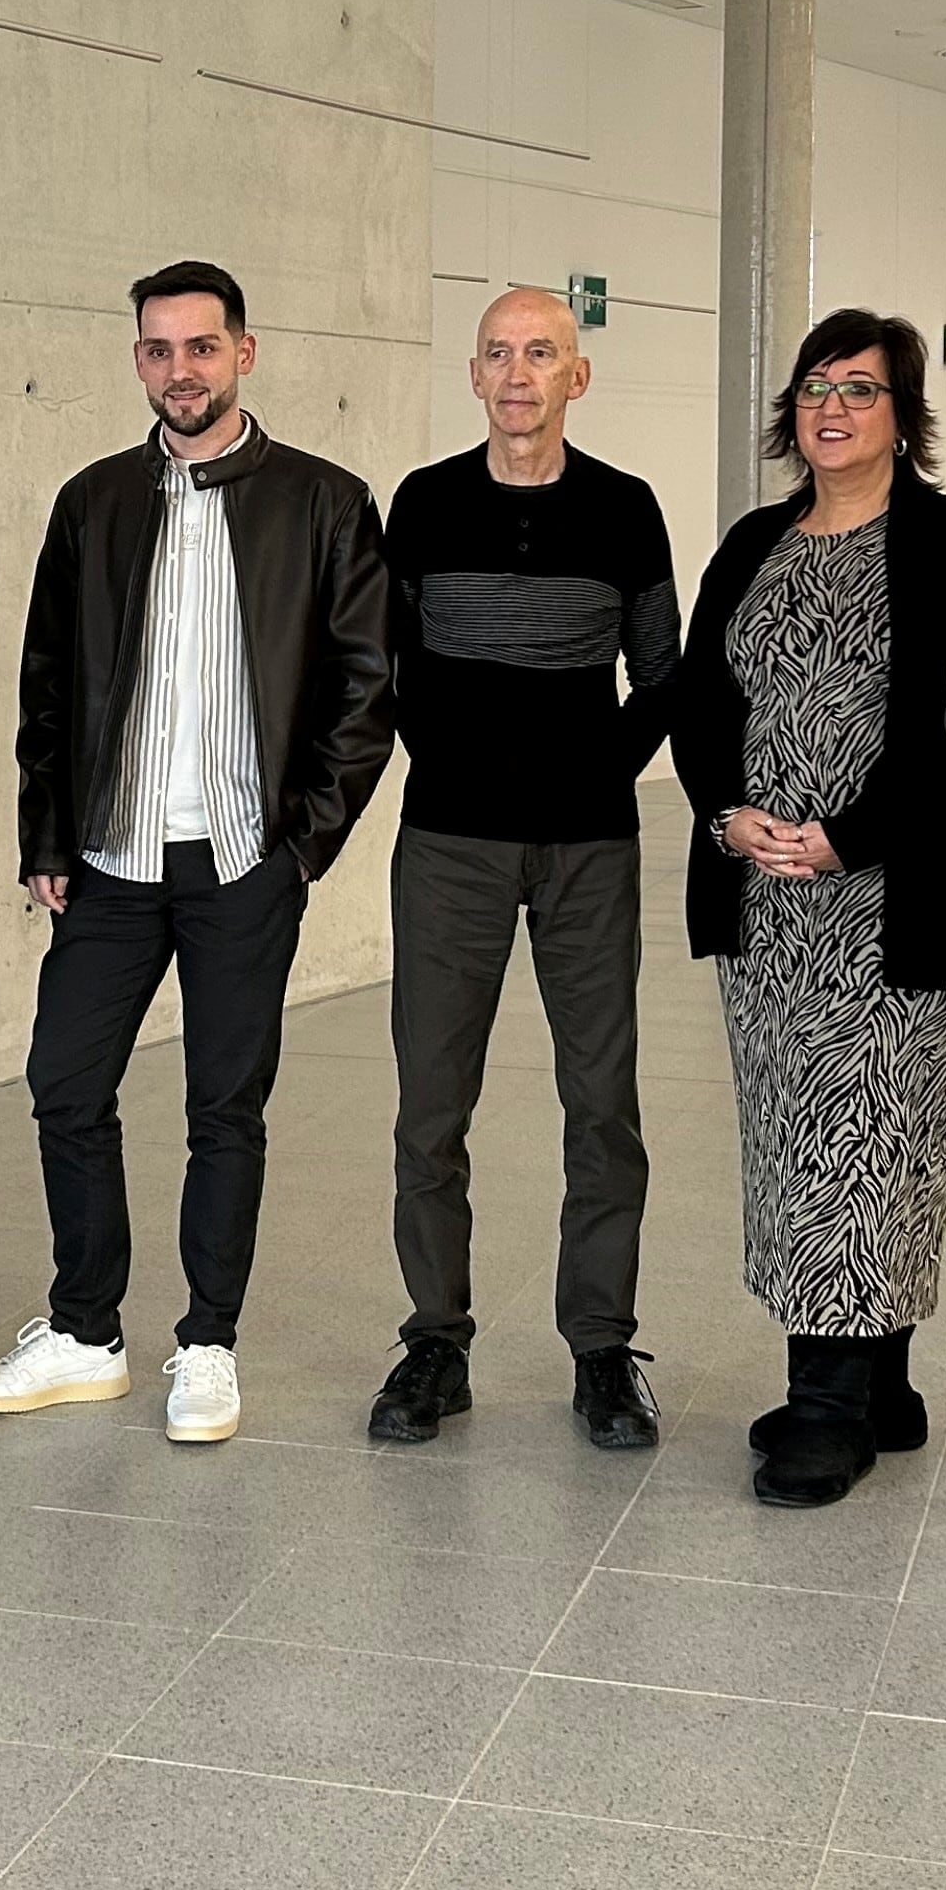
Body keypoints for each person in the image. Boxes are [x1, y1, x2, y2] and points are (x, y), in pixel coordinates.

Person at [0, 260, 393, 1447]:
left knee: (224, 1107)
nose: (180, 369)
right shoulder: (94, 501)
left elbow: (366, 687)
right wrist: (49, 832)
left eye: (201, 346)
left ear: (244, 351)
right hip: (112, 856)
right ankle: (85, 1334)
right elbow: (48, 682)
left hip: (246, 858)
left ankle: (207, 1345)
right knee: (65, 1084)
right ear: (138, 360)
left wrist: (304, 844)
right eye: (158, 349)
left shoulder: (325, 501)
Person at [670, 313, 946, 1508]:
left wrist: (851, 833)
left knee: (872, 1144)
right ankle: (878, 1386)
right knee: (796, 1141)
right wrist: (727, 814)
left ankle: (825, 1408)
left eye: (862, 390)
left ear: (903, 417)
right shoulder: (755, 540)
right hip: (770, 910)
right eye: (817, 387)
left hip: (895, 900)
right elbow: (699, 697)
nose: (833, 409)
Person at [367, 286, 679, 1454]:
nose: (516, 373)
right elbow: (388, 661)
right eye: (497, 353)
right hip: (449, 843)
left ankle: (601, 1347)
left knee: (601, 1102)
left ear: (574, 377)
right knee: (430, 1105)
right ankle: (435, 1344)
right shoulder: (426, 503)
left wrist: (594, 769)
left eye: (540, 353)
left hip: (589, 846)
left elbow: (660, 675)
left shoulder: (624, 508)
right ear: (475, 375)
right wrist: (455, 759)